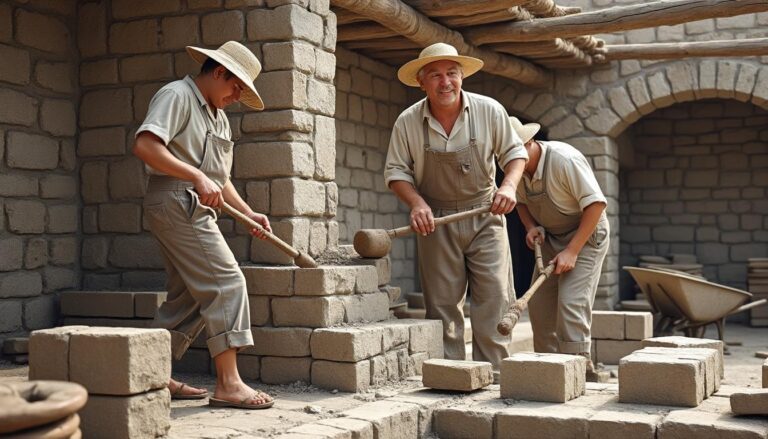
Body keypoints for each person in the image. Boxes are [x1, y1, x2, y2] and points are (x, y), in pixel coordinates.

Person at [132, 41, 274, 409]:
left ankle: (150, 375)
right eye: (236, 85)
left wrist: (249, 212)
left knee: (191, 295)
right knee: (227, 282)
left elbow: (217, 178)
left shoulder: (219, 116)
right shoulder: (177, 95)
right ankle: (228, 383)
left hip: (193, 202)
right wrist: (195, 175)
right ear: (218, 71)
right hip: (176, 200)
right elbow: (146, 145)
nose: (237, 94)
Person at [384, 43, 528, 371]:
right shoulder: (407, 122)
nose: (445, 82)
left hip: (485, 214)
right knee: (443, 306)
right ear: (422, 82)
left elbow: (515, 154)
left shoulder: (489, 110)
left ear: (462, 77)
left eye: (451, 73)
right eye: (435, 75)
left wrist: (508, 186)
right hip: (436, 221)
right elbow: (396, 172)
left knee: (493, 299)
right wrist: (417, 203)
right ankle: (452, 378)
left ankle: (493, 377)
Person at [509, 116, 610, 380]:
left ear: (529, 143)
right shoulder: (514, 168)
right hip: (553, 238)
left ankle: (579, 371)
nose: (509, 163)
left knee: (571, 302)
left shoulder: (565, 160)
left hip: (586, 236)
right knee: (540, 305)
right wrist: (531, 227)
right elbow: (520, 202)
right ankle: (550, 373)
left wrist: (573, 251)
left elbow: (596, 205)